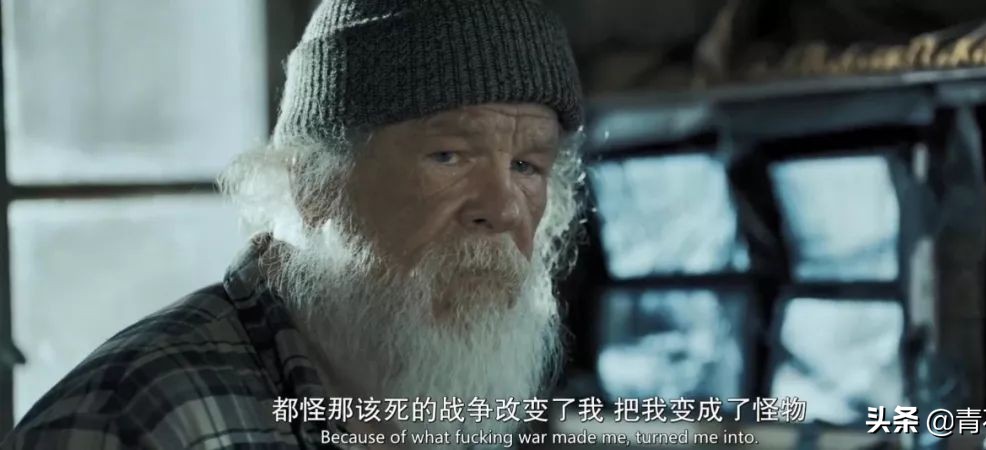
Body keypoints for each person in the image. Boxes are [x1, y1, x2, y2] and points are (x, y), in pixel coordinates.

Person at [2, 0, 585, 448]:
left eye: (526, 166)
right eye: (448, 156)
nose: (504, 209)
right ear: (315, 184)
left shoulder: (448, 400)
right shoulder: (142, 421)